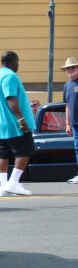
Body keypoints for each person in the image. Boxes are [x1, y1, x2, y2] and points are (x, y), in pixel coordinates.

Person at [0, 50, 34, 196]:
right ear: (13, 62)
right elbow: (11, 99)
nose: (18, 65)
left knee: (3, 154)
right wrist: (21, 119)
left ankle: (4, 186)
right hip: (13, 124)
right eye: (17, 62)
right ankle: (14, 183)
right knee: (25, 151)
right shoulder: (10, 76)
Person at [63, 56, 78, 184]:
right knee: (77, 148)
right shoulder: (67, 86)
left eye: (73, 67)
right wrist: (67, 123)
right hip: (74, 124)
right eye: (68, 68)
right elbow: (67, 105)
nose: (70, 70)